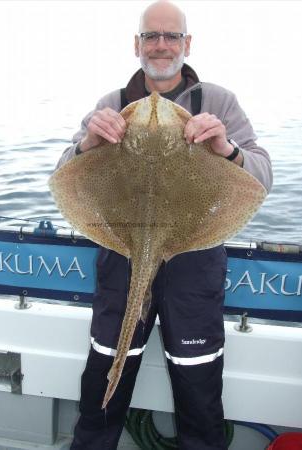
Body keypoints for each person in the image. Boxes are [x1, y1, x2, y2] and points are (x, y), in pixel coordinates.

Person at [56, 2, 273, 449]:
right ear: (136, 44)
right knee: (108, 363)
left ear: (186, 44)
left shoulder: (219, 102)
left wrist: (226, 148)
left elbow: (261, 177)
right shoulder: (111, 104)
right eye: (151, 36)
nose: (160, 45)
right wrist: (88, 143)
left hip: (193, 254)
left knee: (196, 373)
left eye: (171, 36)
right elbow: (62, 175)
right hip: (122, 251)